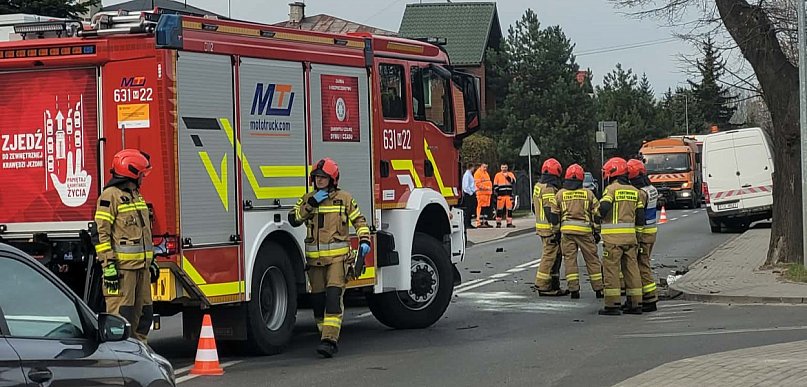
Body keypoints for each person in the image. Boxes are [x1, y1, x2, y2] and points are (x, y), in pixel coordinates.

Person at [288, 158, 371, 358]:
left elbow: (359, 220)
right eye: (316, 178)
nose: (319, 181)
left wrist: (364, 240)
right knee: (317, 302)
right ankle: (323, 333)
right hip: (315, 262)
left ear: (332, 179)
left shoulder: (344, 198)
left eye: (323, 178)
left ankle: (329, 341)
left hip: (338, 260)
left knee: (333, 298)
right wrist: (311, 204)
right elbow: (294, 219)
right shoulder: (308, 198)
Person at [93, 149, 157, 342]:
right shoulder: (110, 196)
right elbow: (100, 233)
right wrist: (108, 266)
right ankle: (119, 356)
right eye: (141, 175)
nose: (143, 179)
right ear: (131, 173)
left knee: (144, 315)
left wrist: (150, 261)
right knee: (121, 317)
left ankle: (140, 354)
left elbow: (143, 231)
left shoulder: (136, 195)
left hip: (141, 269)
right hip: (122, 271)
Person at [598, 157, 646, 316]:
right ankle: (636, 303)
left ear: (612, 173)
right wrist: (638, 237)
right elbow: (640, 218)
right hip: (631, 239)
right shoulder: (635, 191)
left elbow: (603, 207)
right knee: (632, 270)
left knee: (611, 270)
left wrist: (596, 216)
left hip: (613, 241)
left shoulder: (611, 189)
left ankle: (612, 305)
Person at [553, 164, 603, 299]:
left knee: (570, 260)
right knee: (592, 260)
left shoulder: (560, 194)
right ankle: (599, 289)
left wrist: (556, 232)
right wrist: (597, 231)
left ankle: (574, 290)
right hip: (585, 232)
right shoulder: (588, 194)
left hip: (567, 233)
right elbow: (597, 213)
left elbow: (554, 214)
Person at [628, 159, 660, 312]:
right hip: (651, 231)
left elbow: (638, 214)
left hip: (643, 233)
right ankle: (648, 296)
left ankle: (649, 298)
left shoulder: (640, 193)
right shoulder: (652, 189)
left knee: (642, 265)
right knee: (644, 262)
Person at [533, 158, 568, 296]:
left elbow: (535, 208)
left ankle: (554, 284)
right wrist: (556, 228)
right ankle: (542, 285)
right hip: (549, 229)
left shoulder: (538, 186)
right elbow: (550, 211)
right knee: (549, 256)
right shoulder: (548, 188)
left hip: (542, 227)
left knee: (555, 256)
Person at [493, 163, 517, 228]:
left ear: (507, 168)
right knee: (499, 210)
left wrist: (507, 177)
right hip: (501, 196)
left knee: (509, 210)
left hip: (509, 195)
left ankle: (509, 223)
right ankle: (498, 223)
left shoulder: (510, 174)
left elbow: (513, 182)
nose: (504, 169)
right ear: (501, 168)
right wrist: (497, 193)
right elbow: (495, 185)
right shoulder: (497, 175)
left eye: (505, 167)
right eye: (503, 167)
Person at [474, 163, 493, 228]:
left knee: (486, 208)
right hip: (481, 193)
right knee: (481, 208)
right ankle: (479, 222)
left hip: (487, 193)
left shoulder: (485, 173)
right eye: (484, 167)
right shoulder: (478, 173)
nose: (485, 168)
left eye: (486, 167)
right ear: (481, 166)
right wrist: (486, 187)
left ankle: (485, 221)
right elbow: (478, 184)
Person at [462, 163, 477, 229]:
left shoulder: (469, 174)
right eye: (473, 167)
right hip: (468, 194)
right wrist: (471, 193)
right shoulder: (467, 175)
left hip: (471, 193)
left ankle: (469, 223)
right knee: (468, 209)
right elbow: (466, 186)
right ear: (471, 167)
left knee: (471, 209)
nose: (474, 169)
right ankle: (467, 224)